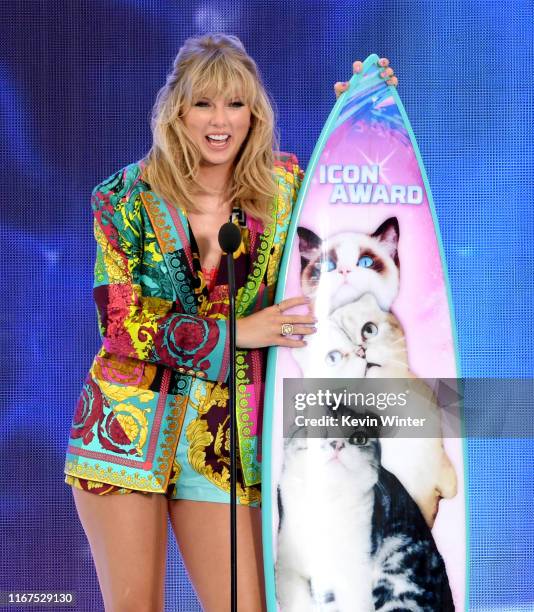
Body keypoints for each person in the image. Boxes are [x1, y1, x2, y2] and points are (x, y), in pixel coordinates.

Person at [63, 33, 398, 612]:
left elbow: (356, 213)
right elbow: (120, 322)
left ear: (254, 113)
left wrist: (364, 118)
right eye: (204, 103)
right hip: (123, 435)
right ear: (177, 111)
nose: (220, 120)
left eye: (236, 103)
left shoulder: (287, 186)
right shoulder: (121, 199)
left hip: (230, 442)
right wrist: (238, 332)